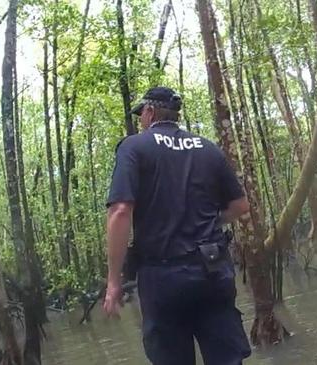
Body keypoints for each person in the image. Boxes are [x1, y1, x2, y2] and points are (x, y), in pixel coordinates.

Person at [103, 86, 252, 365]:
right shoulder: (208, 149)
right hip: (213, 271)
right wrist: (210, 222)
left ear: (149, 113)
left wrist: (114, 281)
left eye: (141, 115)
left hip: (163, 278)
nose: (140, 121)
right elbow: (240, 206)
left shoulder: (134, 147)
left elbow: (121, 210)